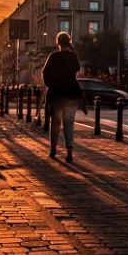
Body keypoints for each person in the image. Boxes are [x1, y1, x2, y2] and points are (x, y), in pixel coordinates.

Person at [42, 32, 83, 163]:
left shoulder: (53, 56)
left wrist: (50, 84)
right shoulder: (73, 56)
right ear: (69, 42)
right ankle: (69, 152)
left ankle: (53, 149)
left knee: (55, 122)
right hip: (71, 92)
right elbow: (77, 68)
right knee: (69, 123)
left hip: (56, 93)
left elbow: (45, 72)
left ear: (58, 43)